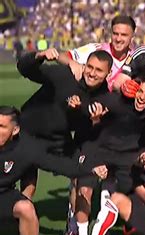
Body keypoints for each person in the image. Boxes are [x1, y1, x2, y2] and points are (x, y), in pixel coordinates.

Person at [72, 76, 145, 235]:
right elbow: (90, 105)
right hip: (100, 151)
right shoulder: (118, 101)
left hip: (127, 156)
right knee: (84, 190)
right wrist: (78, 105)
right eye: (140, 91)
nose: (141, 97)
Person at [0, 106, 107, 235]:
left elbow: (59, 165)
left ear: (15, 130)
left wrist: (91, 170)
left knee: (26, 208)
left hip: (4, 194)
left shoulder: (27, 148)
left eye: (1, 126)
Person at [17, 48, 112, 199]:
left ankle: (75, 221)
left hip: (58, 139)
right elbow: (25, 69)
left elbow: (88, 132)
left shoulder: (104, 98)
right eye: (90, 67)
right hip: (29, 131)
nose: (92, 73)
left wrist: (93, 120)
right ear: (84, 65)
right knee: (28, 188)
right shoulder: (65, 75)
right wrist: (38, 56)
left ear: (109, 74)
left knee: (79, 171)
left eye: (99, 70)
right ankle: (19, 215)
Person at [58, 15, 136, 91]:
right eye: (115, 34)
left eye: (124, 35)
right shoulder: (96, 48)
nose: (118, 39)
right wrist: (72, 63)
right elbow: (62, 56)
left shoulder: (136, 58)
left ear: (132, 38)